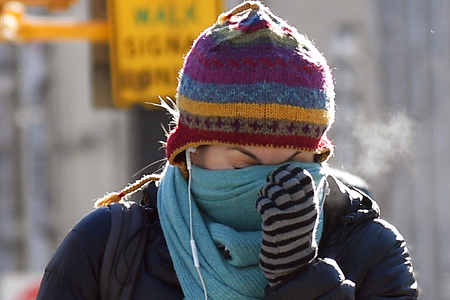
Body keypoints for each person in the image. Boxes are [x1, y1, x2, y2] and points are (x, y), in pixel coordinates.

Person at [36, 1, 418, 299]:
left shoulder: (369, 251)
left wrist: (301, 279)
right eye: (241, 167)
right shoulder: (106, 250)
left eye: (295, 166)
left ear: (319, 157)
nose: (272, 185)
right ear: (191, 154)